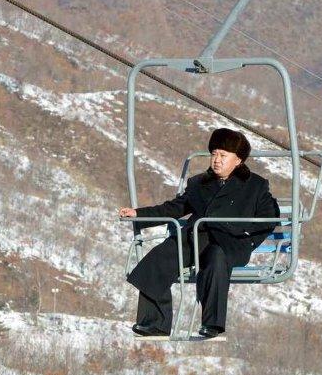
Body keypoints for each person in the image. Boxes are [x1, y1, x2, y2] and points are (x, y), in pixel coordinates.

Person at [118, 128, 279, 339]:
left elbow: (269, 218)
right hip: (195, 238)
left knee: (216, 260)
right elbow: (174, 208)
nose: (217, 160)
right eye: (214, 154)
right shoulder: (199, 183)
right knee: (158, 258)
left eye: (223, 156)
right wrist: (138, 213)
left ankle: (212, 324)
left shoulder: (254, 186)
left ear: (238, 160)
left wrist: (247, 239)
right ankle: (155, 322)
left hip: (229, 243)